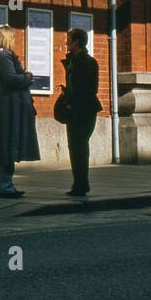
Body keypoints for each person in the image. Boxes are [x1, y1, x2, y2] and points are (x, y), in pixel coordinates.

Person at [0, 25, 40, 197]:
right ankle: (4, 185)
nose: (14, 41)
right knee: (8, 143)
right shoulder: (3, 55)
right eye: (12, 38)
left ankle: (6, 184)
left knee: (8, 144)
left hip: (8, 103)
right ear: (7, 38)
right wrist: (27, 77)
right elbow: (11, 79)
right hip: (10, 105)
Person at [60, 27, 102, 196]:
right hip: (73, 109)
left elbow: (90, 89)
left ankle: (81, 185)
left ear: (76, 42)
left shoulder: (88, 62)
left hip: (85, 110)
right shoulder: (72, 61)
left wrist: (74, 102)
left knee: (80, 147)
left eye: (69, 39)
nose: (66, 42)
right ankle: (79, 184)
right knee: (74, 147)